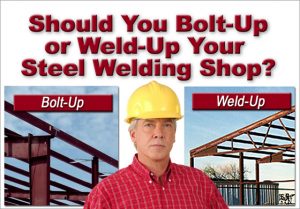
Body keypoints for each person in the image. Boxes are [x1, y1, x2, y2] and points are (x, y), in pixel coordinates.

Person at [84, 81, 229, 209]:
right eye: (149, 124)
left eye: (166, 125)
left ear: (174, 133)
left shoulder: (201, 184)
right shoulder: (106, 195)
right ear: (133, 135)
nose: (159, 133)